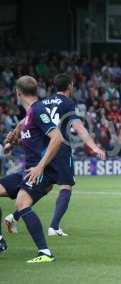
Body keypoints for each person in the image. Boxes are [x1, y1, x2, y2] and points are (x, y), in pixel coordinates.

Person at [4, 73, 106, 237]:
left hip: (43, 150)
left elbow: (24, 121)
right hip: (60, 147)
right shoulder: (67, 103)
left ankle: (14, 216)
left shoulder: (44, 101)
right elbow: (78, 126)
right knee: (66, 186)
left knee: (46, 185)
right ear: (70, 86)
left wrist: (12, 138)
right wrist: (93, 147)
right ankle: (54, 227)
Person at [0, 75, 63, 263]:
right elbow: (36, 143)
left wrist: (40, 167)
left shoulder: (38, 110)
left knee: (22, 204)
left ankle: (45, 253)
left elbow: (57, 138)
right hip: (28, 170)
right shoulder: (29, 115)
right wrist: (15, 143)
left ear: (18, 93)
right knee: (20, 203)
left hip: (41, 170)